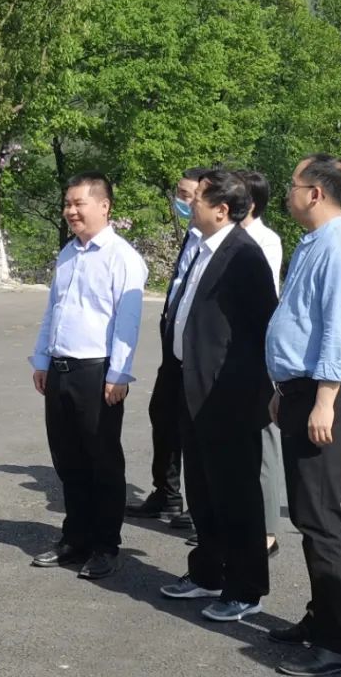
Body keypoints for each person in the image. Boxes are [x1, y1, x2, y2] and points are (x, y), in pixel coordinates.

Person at [266, 154, 341, 677]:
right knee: (309, 517)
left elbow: (340, 331)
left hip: (326, 395)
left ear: (315, 193)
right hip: (301, 392)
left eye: (293, 184)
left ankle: (338, 645)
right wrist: (284, 390)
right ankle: (319, 617)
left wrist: (323, 399)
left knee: (322, 521)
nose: (288, 192)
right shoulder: (315, 243)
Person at [158, 170, 276, 622]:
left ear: (222, 210)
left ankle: (246, 587)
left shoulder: (243, 255)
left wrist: (247, 392)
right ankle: (207, 572)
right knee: (203, 491)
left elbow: (263, 328)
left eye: (199, 199)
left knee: (236, 495)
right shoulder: (204, 248)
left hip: (228, 396)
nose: (190, 204)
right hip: (192, 387)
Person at [29, 172, 147, 579]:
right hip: (60, 369)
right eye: (68, 203)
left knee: (102, 462)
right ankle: (74, 538)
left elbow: (127, 321)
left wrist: (119, 373)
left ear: (104, 206)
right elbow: (53, 311)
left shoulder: (122, 257)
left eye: (79, 203)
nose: (71, 211)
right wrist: (42, 360)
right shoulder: (68, 253)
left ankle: (105, 545)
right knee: (68, 460)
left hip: (97, 373)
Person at [127, 167, 207, 531]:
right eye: (179, 193)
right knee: (163, 416)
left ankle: (202, 506)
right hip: (172, 349)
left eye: (188, 195)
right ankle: (167, 494)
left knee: (195, 429)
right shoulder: (191, 234)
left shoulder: (214, 240)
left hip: (195, 353)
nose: (181, 201)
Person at [237, 170, 284, 559]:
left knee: (263, 437)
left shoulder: (266, 241)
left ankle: (267, 531)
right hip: (231, 356)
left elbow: (258, 302)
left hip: (256, 352)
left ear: (248, 202)